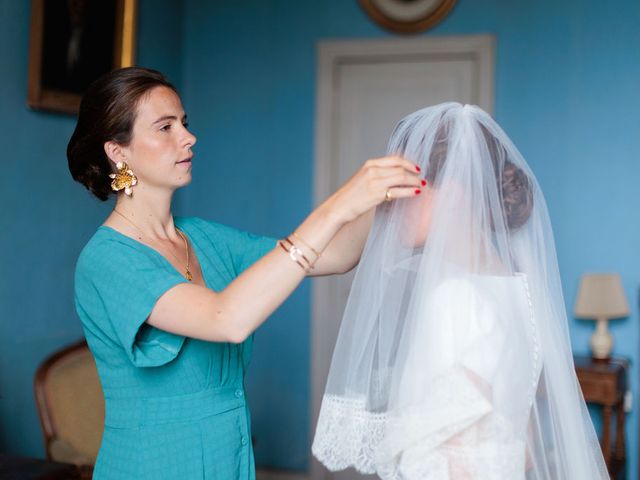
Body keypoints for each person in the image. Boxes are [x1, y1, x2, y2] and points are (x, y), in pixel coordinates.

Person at [67, 66, 425, 479]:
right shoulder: (107, 260)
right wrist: (341, 202)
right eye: (165, 127)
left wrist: (386, 191)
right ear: (119, 152)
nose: (188, 137)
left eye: (184, 123)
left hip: (230, 460)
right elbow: (227, 319)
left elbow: (337, 255)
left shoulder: (204, 238)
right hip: (153, 466)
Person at [312, 103, 609, 479]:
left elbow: (458, 463)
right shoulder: (515, 289)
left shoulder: (454, 297)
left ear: (450, 191)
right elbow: (527, 448)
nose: (387, 206)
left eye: (403, 189)